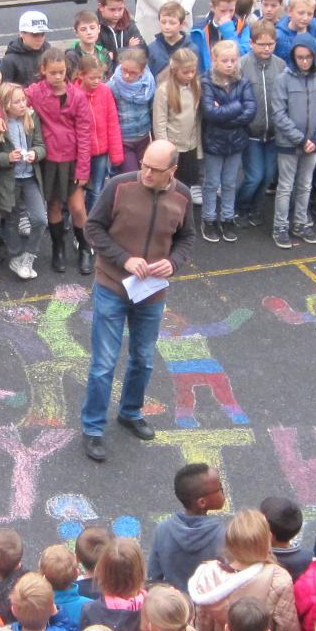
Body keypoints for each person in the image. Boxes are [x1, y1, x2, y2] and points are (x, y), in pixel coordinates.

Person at [79, 141, 194, 463]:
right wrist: (124, 259)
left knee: (143, 359)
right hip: (112, 286)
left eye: (155, 170)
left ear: (172, 171)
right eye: (143, 165)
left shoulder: (182, 196)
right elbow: (93, 228)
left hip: (152, 292)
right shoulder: (119, 186)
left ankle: (130, 412)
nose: (145, 172)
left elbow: (187, 237)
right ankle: (92, 429)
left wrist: (173, 262)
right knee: (103, 364)